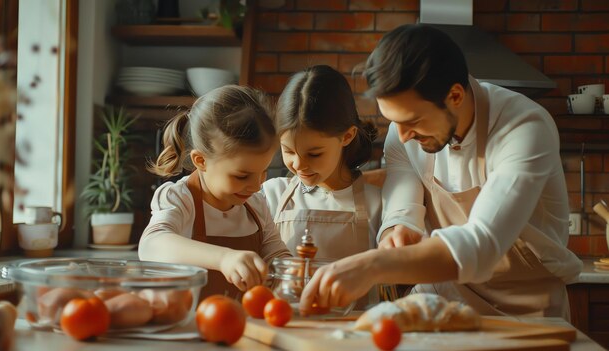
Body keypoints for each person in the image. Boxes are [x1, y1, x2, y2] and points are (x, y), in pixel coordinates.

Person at [299, 24, 582, 319]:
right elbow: (402, 211)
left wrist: (372, 265)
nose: (403, 135)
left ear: (455, 96)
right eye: (395, 122)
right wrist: (397, 232)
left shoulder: (524, 128)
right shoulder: (403, 134)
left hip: (529, 307)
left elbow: (483, 243)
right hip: (445, 295)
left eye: (413, 120)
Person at [139, 85, 291, 300]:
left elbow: (276, 254)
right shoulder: (180, 199)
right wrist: (224, 259)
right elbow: (150, 245)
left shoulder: (255, 205)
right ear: (201, 161)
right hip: (187, 327)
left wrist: (296, 273)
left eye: (263, 171)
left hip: (242, 326)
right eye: (241, 176)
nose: (257, 186)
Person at [262, 65, 381, 261]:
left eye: (314, 154)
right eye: (288, 151)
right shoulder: (270, 196)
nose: (298, 164)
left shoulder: (378, 205)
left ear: (347, 136)